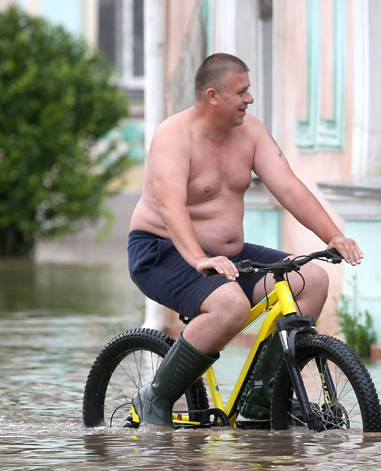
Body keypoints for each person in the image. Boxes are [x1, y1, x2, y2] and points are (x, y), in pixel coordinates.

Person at [127, 53, 362, 427]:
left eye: (249, 90)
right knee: (230, 306)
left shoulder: (250, 132)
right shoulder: (174, 135)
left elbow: (288, 187)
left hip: (227, 255)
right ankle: (155, 396)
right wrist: (198, 259)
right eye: (242, 92)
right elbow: (171, 207)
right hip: (162, 250)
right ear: (212, 96)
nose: (249, 99)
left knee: (312, 280)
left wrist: (332, 234)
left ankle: (264, 399)